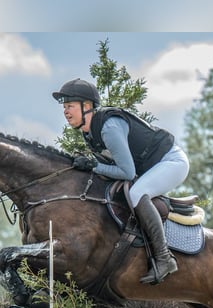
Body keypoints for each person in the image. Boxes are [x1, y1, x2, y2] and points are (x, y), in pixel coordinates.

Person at [52, 78, 190, 285]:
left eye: (70, 106)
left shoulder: (108, 127)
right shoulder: (89, 133)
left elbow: (126, 172)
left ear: (87, 106)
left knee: (137, 194)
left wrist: (92, 165)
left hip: (172, 162)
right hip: (153, 167)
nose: (65, 111)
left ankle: (164, 258)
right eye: (64, 107)